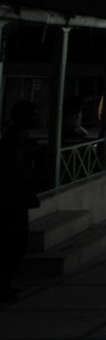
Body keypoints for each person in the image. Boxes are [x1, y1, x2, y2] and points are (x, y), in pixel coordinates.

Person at [0, 101, 41, 301]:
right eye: (33, 114)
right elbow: (15, 169)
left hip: (16, 197)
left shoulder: (19, 137)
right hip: (11, 198)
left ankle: (6, 282)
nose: (37, 118)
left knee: (17, 241)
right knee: (12, 241)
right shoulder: (13, 139)